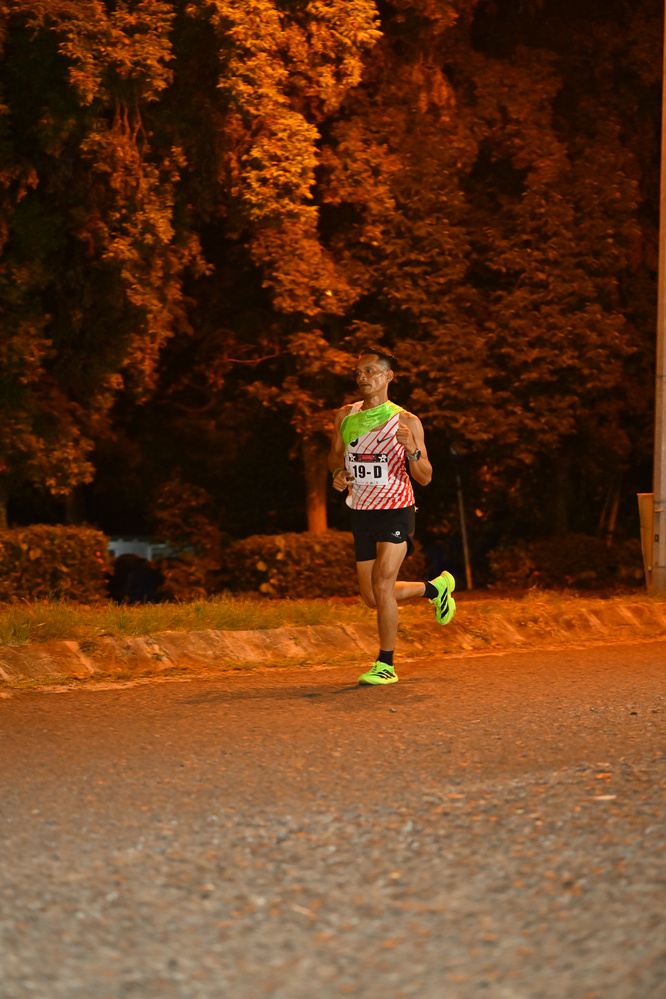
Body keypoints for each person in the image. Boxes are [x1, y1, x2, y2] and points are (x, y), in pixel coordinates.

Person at [329, 345, 456, 686]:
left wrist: (411, 449)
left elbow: (425, 477)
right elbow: (335, 456)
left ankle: (385, 664)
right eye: (358, 372)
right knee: (372, 597)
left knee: (383, 584)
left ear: (388, 376)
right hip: (361, 511)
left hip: (396, 509)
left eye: (370, 371)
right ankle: (435, 589)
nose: (362, 377)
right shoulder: (344, 416)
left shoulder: (406, 421)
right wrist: (338, 473)